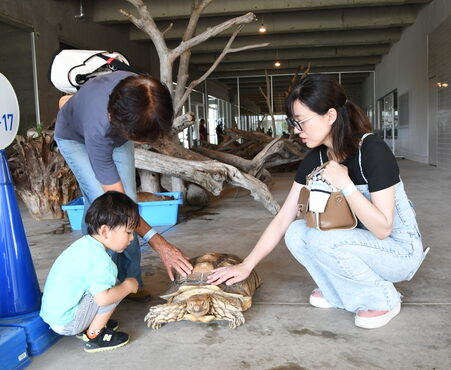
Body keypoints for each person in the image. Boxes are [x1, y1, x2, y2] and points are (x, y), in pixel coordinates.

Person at [208, 74, 427, 329]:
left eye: (301, 122)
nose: (296, 131)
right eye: (294, 123)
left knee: (323, 238)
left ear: (330, 116)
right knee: (297, 232)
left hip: (398, 252)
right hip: (357, 245)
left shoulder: (372, 150)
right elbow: (283, 218)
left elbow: (382, 228)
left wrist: (345, 184)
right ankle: (338, 291)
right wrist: (247, 264)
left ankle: (384, 300)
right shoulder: (316, 158)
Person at [55, 71, 193, 301]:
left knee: (125, 202)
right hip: (75, 138)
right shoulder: (98, 128)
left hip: (120, 128)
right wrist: (160, 244)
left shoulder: (141, 93)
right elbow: (121, 208)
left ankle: (132, 283)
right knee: (109, 208)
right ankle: (100, 284)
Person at [40, 191, 140, 352]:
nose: (132, 238)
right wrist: (128, 286)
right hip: (67, 323)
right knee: (115, 289)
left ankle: (92, 323)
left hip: (54, 316)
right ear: (105, 231)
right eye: (128, 232)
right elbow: (103, 299)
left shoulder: (84, 245)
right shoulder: (101, 262)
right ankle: (95, 336)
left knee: (109, 284)